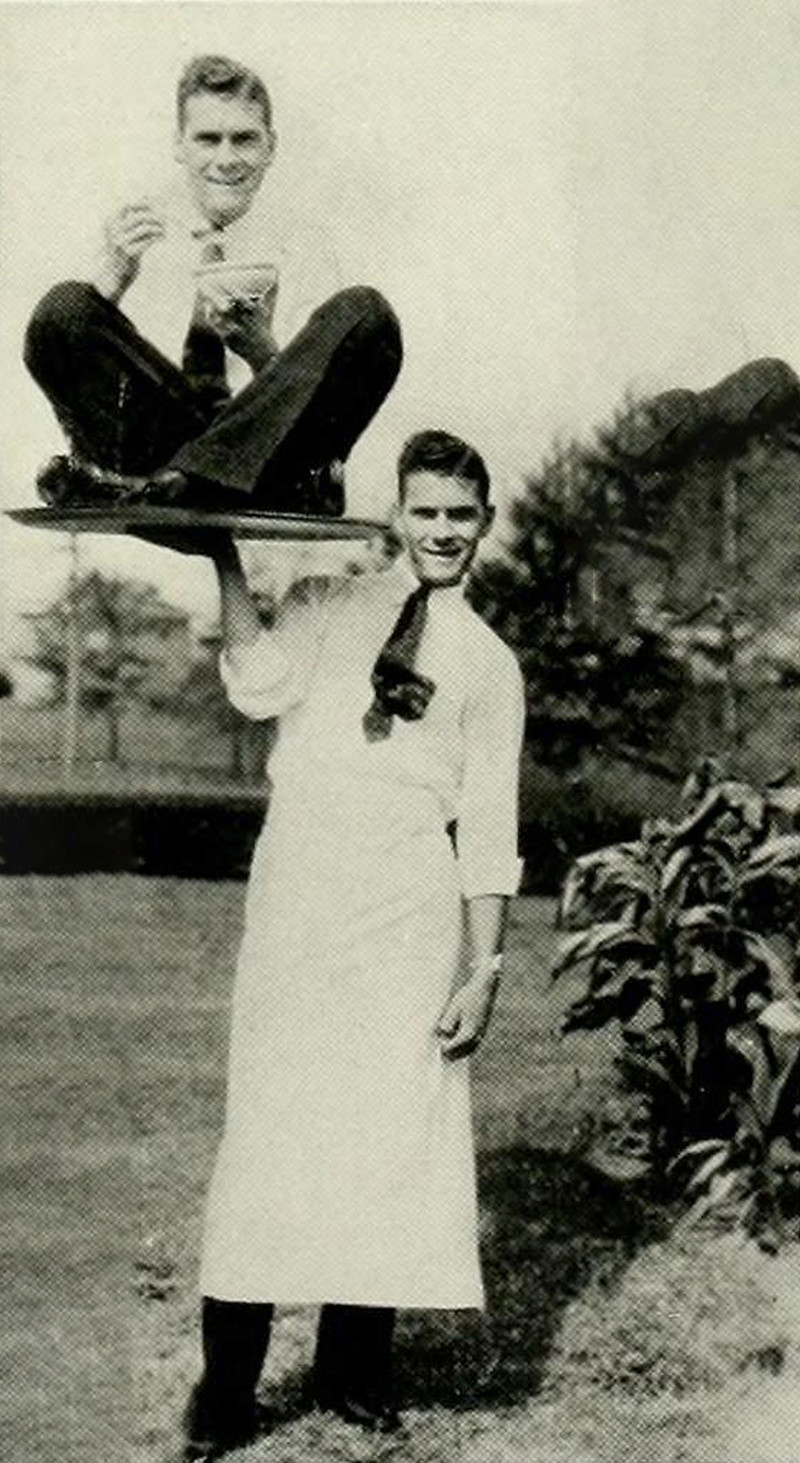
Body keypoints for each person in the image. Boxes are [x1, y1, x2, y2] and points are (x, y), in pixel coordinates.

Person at [181, 429, 526, 1461]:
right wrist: (218, 551)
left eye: (459, 514)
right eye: (425, 511)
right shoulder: (327, 601)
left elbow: (489, 828)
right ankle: (226, 1388)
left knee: (386, 1132)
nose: (441, 531)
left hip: (408, 903)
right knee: (271, 1124)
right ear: (395, 513)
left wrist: (484, 968)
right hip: (301, 889)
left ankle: (351, 1369)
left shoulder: (489, 663)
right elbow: (255, 685)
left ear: (485, 522)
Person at [23, 54, 402, 518]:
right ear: (179, 144)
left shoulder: (304, 245)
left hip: (269, 462)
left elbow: (316, 405)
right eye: (208, 139)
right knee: (63, 306)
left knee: (366, 312)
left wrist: (261, 350)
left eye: (244, 140)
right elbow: (73, 358)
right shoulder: (138, 232)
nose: (226, 160)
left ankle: (199, 482)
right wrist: (113, 280)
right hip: (161, 458)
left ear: (270, 147)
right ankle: (188, 482)